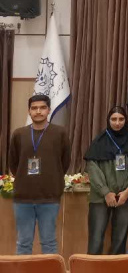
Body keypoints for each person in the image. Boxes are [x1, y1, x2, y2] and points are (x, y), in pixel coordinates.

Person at [9, 95, 71, 255]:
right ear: (29, 111)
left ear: (49, 110)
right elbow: (14, 164)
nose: (38, 111)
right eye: (34, 108)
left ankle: (49, 268)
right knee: (23, 243)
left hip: (49, 197)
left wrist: (52, 177)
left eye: (42, 108)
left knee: (49, 242)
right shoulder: (19, 134)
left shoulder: (60, 133)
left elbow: (64, 162)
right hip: (23, 198)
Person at [84, 106, 128, 254]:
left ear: (126, 121)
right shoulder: (99, 142)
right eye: (114, 119)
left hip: (124, 197)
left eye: (121, 119)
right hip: (100, 197)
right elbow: (92, 168)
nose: (117, 123)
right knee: (96, 238)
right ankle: (93, 266)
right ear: (108, 120)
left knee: (120, 239)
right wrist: (105, 192)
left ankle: (115, 265)